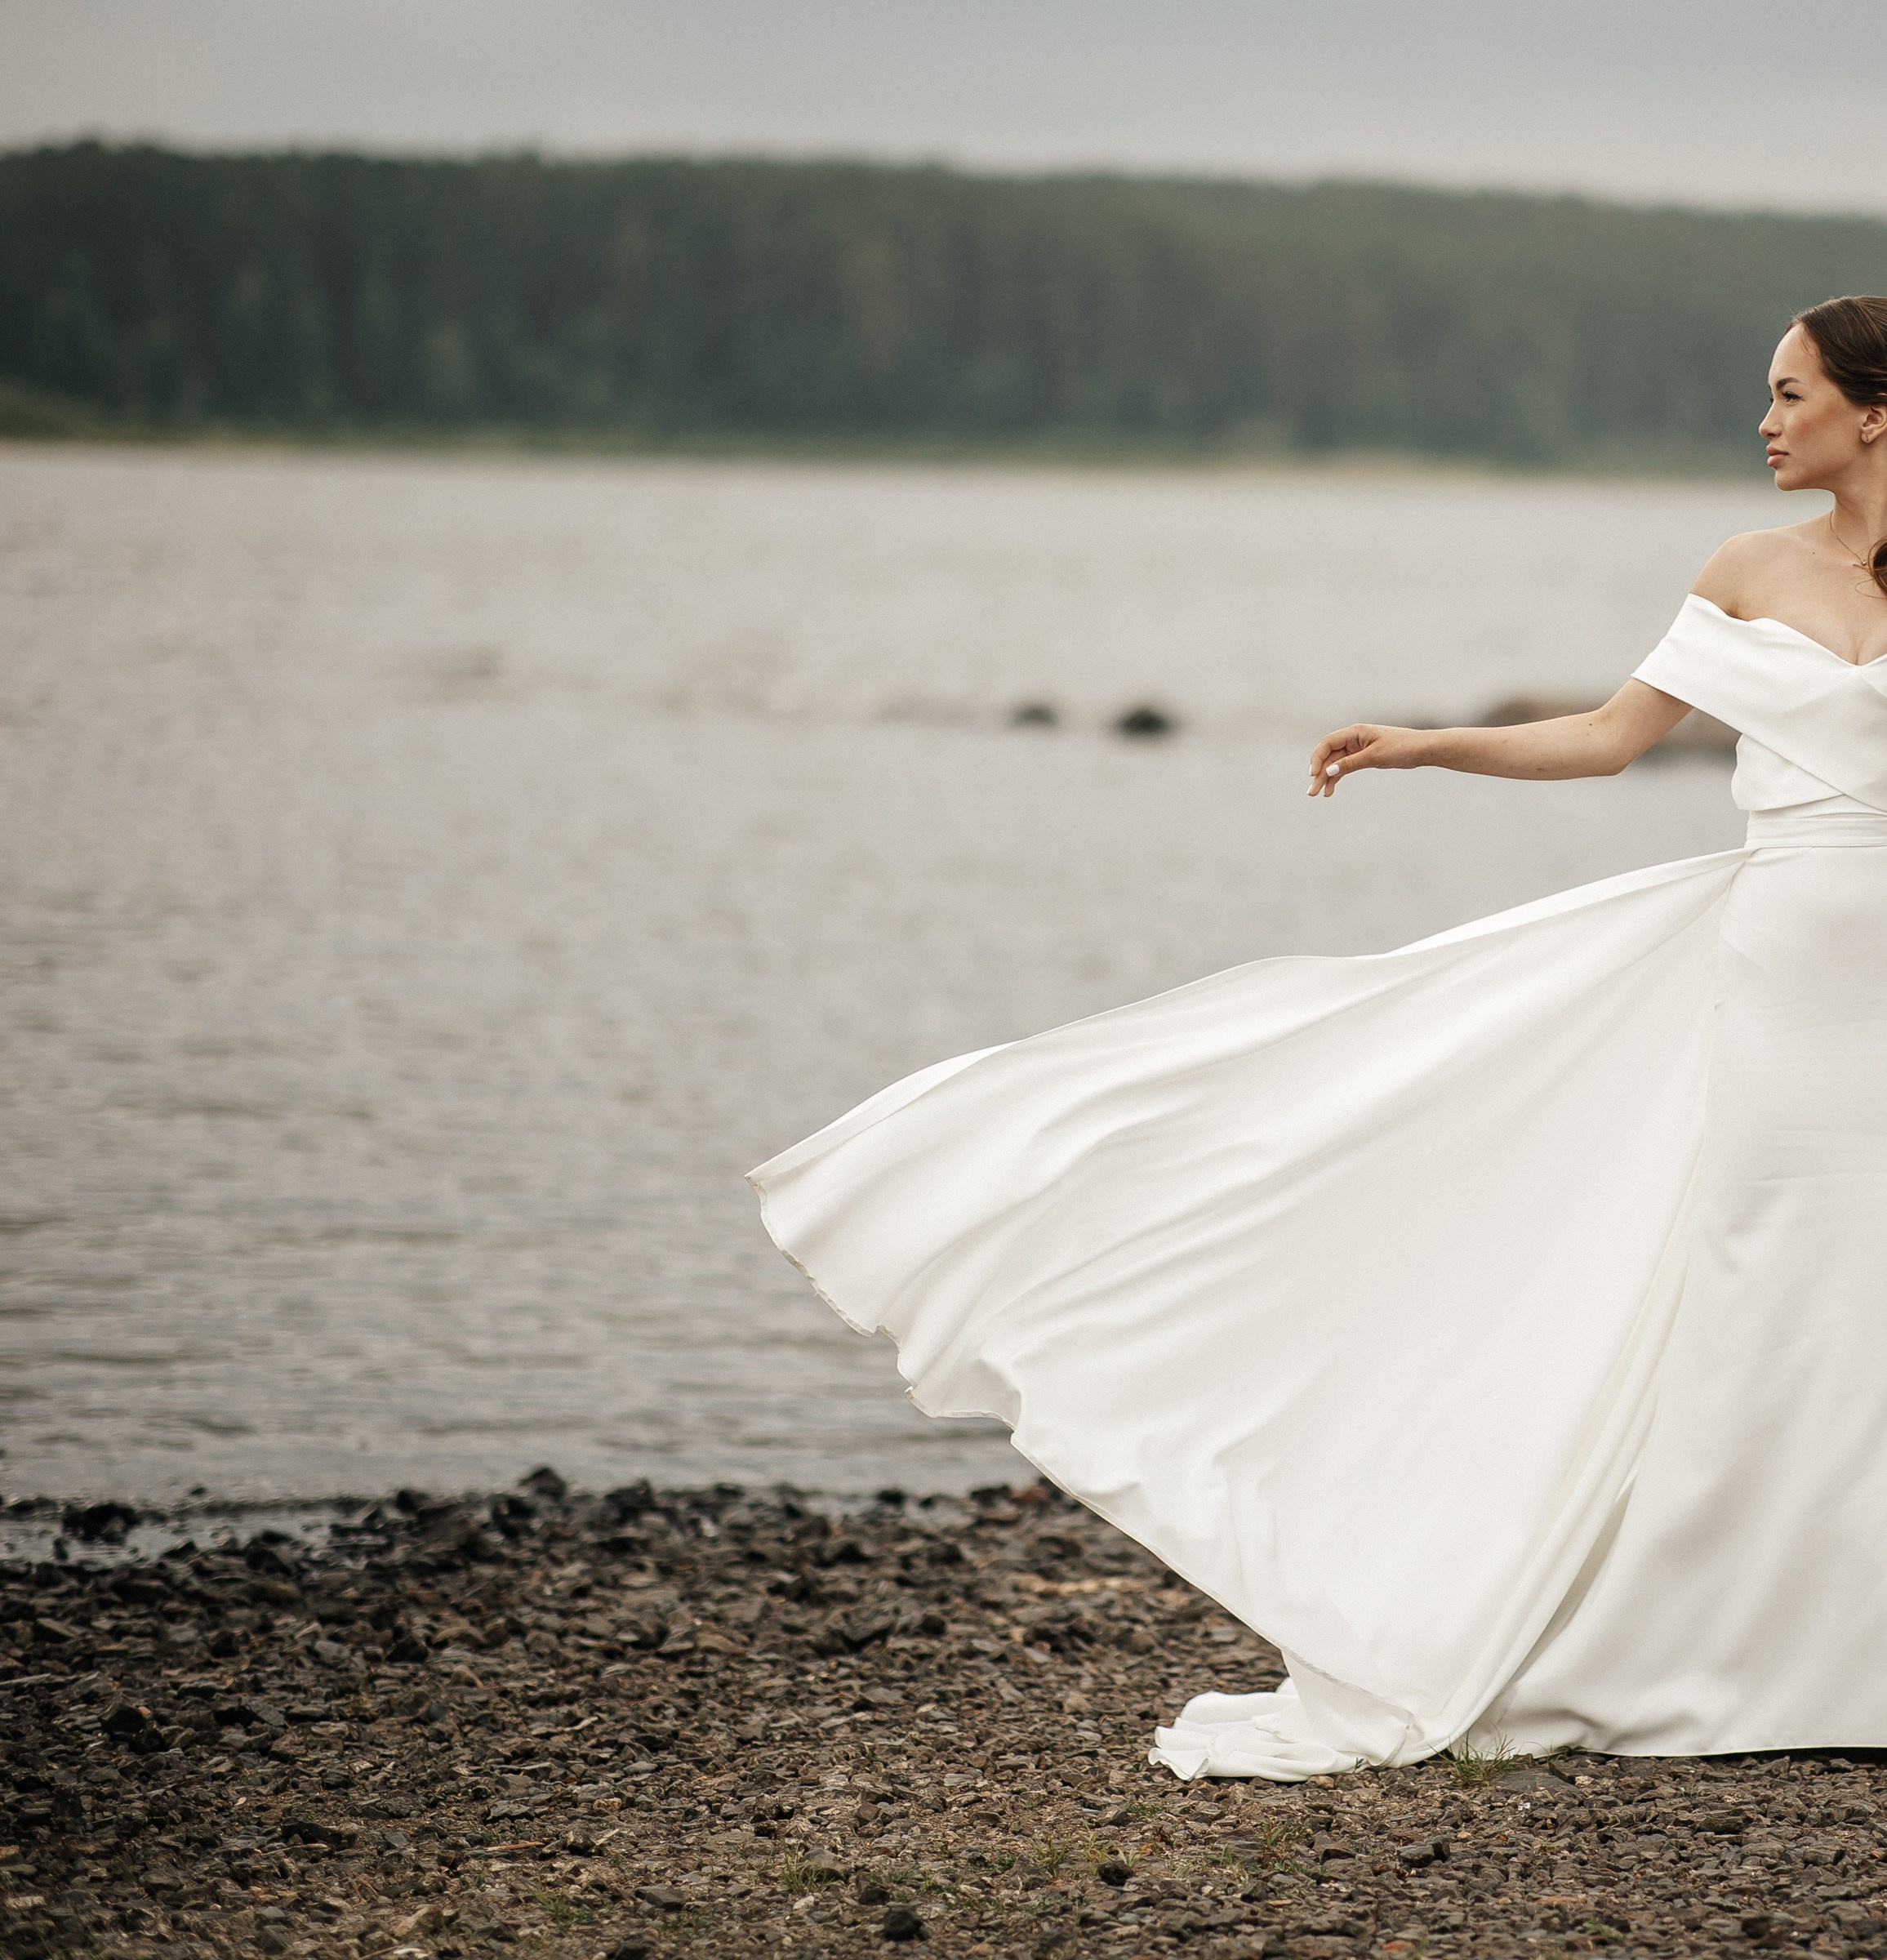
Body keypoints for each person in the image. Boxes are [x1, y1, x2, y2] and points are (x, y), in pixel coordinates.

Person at [749, 296, 1887, 1781]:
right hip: (1786, 986)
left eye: (1789, 392)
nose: (1764, 417)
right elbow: (1610, 740)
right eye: (1766, 391)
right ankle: (1721, 1643)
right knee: (1765, 1296)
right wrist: (1429, 740)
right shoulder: (1745, 571)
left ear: (1872, 411)